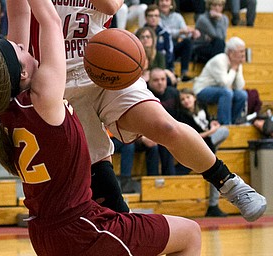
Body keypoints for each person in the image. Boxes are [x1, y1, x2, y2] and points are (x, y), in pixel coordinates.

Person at [0, 0, 203, 255]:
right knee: (190, 233)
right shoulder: (45, 97)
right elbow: (51, 20)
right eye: (19, 48)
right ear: (22, 73)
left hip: (44, 233)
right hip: (82, 228)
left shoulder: (5, 112)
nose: (25, 46)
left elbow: (20, 12)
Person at [27, 0, 266, 223]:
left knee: (164, 126)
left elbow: (110, 5)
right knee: (97, 169)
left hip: (107, 67)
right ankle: (125, 227)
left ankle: (229, 183)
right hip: (56, 80)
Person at [178, 88, 229, 217]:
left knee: (224, 131)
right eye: (182, 99)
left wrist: (212, 124)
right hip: (194, 145)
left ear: (194, 97)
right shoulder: (182, 116)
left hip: (206, 141)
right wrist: (211, 131)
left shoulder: (201, 109)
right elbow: (193, 136)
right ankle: (213, 205)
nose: (186, 101)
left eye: (188, 97)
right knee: (215, 168)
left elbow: (205, 125)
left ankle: (211, 151)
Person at [193, 37, 248, 125]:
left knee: (242, 95)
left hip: (219, 90)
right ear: (230, 52)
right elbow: (224, 84)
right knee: (226, 92)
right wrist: (234, 69)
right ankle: (225, 124)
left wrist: (237, 69)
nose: (243, 54)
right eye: (240, 51)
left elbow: (239, 86)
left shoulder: (236, 62)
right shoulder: (219, 60)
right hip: (202, 90)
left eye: (243, 51)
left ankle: (233, 123)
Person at [158, 0, 201, 82]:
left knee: (187, 42)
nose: (164, 3)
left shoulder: (177, 16)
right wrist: (179, 32)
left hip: (176, 45)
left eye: (166, 1)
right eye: (161, 1)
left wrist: (192, 33)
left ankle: (184, 73)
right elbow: (163, 32)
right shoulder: (157, 17)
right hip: (163, 46)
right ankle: (171, 71)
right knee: (168, 42)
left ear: (171, 4)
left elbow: (185, 32)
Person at [147, 68, 179, 175]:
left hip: (169, 132)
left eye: (163, 79)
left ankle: (170, 178)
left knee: (168, 143)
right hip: (148, 132)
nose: (160, 83)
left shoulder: (174, 93)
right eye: (156, 80)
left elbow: (180, 116)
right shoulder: (144, 94)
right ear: (149, 81)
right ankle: (152, 179)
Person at [143, 4, 178, 87]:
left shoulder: (165, 34)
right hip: (145, 70)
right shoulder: (140, 33)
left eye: (156, 16)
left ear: (159, 17)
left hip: (163, 66)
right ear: (145, 17)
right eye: (150, 16)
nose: (153, 18)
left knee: (169, 81)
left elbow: (170, 54)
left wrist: (167, 70)